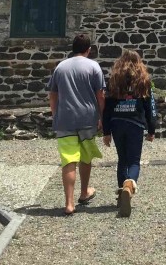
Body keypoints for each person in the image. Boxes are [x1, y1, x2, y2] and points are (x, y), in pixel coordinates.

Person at [47, 34, 105, 216]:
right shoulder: (93, 66)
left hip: (65, 119)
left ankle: (69, 203)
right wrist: (102, 116)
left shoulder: (60, 68)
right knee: (86, 157)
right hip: (87, 118)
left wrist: (55, 113)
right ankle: (84, 192)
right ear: (89, 49)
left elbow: (53, 94)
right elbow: (100, 94)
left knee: (69, 159)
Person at [102, 50, 158, 218]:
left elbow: (107, 109)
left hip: (117, 123)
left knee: (122, 160)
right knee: (134, 161)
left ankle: (122, 194)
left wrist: (106, 132)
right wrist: (152, 129)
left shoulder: (114, 80)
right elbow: (150, 108)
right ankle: (128, 187)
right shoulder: (144, 81)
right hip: (135, 124)